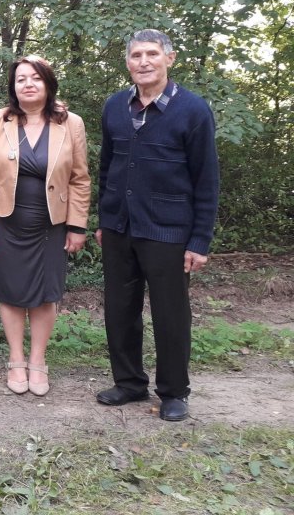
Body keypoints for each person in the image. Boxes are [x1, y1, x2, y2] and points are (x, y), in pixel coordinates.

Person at [96, 29, 219, 422]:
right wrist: (104, 220)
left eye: (152, 54)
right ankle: (130, 382)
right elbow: (107, 168)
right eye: (136, 55)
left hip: (169, 231)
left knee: (170, 314)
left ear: (170, 58)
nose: (144, 62)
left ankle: (173, 391)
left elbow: (206, 179)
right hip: (119, 229)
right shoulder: (115, 106)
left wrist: (199, 240)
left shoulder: (193, 110)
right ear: (127, 62)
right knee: (119, 310)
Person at [0, 56, 91, 396]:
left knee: (45, 294)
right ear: (13, 86)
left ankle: (38, 360)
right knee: (10, 291)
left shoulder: (71, 123)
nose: (28, 84)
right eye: (21, 78)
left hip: (52, 225)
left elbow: (80, 179)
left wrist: (77, 226)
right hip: (5, 223)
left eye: (35, 78)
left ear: (48, 84)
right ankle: (16, 359)